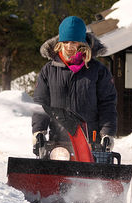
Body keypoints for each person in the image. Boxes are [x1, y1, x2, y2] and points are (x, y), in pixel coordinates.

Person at [32, 16, 118, 155]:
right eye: (65, 42)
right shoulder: (49, 71)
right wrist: (38, 131)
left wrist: (107, 133)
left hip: (90, 142)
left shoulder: (97, 71)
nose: (69, 46)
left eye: (74, 42)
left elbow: (107, 103)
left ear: (82, 43)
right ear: (60, 42)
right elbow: (41, 103)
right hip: (57, 143)